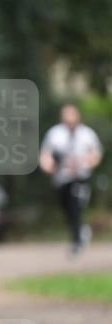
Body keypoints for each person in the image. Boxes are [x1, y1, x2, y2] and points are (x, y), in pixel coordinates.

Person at [39, 104, 103, 255]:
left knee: (76, 208)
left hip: (80, 178)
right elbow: (45, 154)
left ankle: (76, 243)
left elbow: (96, 154)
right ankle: (81, 230)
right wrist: (47, 166)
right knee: (66, 209)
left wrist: (87, 163)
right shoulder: (55, 134)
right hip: (62, 179)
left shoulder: (87, 134)